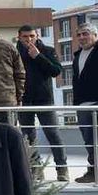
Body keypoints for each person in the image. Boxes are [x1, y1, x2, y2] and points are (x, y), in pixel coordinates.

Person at [16, 25, 68, 182]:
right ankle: (36, 169)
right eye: (25, 36)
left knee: (53, 134)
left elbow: (56, 71)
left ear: (37, 35)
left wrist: (38, 56)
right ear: (19, 37)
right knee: (28, 137)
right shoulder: (14, 53)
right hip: (24, 101)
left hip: (45, 100)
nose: (29, 39)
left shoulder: (47, 50)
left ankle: (62, 169)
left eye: (32, 36)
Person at [73, 24, 98, 183]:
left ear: (95, 35)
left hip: (97, 103)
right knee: (89, 140)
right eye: (79, 35)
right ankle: (93, 171)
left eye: (86, 34)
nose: (82, 37)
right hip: (82, 105)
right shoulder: (78, 55)